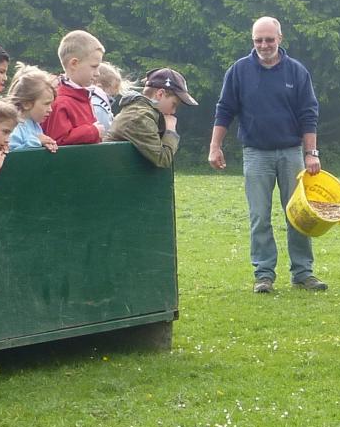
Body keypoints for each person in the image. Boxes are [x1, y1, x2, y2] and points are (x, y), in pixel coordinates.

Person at [208, 16, 326, 293]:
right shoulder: (238, 71)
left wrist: (311, 153)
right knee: (259, 216)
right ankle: (264, 274)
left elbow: (309, 114)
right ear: (253, 41)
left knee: (298, 214)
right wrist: (215, 146)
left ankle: (303, 272)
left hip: (291, 153)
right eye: (258, 40)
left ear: (280, 39)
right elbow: (224, 110)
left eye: (269, 39)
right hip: (255, 154)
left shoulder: (297, 72)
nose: (264, 45)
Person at [105, 68, 197, 167]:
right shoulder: (140, 117)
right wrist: (170, 132)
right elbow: (163, 159)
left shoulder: (139, 112)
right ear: (160, 94)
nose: (173, 111)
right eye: (174, 104)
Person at [42, 30, 105, 145]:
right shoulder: (60, 102)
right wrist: (93, 131)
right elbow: (58, 140)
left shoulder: (82, 95)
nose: (97, 73)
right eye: (94, 67)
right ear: (74, 64)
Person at [7, 62, 58, 153]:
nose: (50, 109)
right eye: (46, 104)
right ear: (27, 104)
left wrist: (46, 144)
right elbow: (11, 156)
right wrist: (37, 141)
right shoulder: (13, 126)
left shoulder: (34, 124)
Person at [90, 62, 125, 132]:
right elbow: (106, 134)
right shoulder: (99, 107)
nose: (110, 100)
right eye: (110, 96)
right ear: (99, 88)